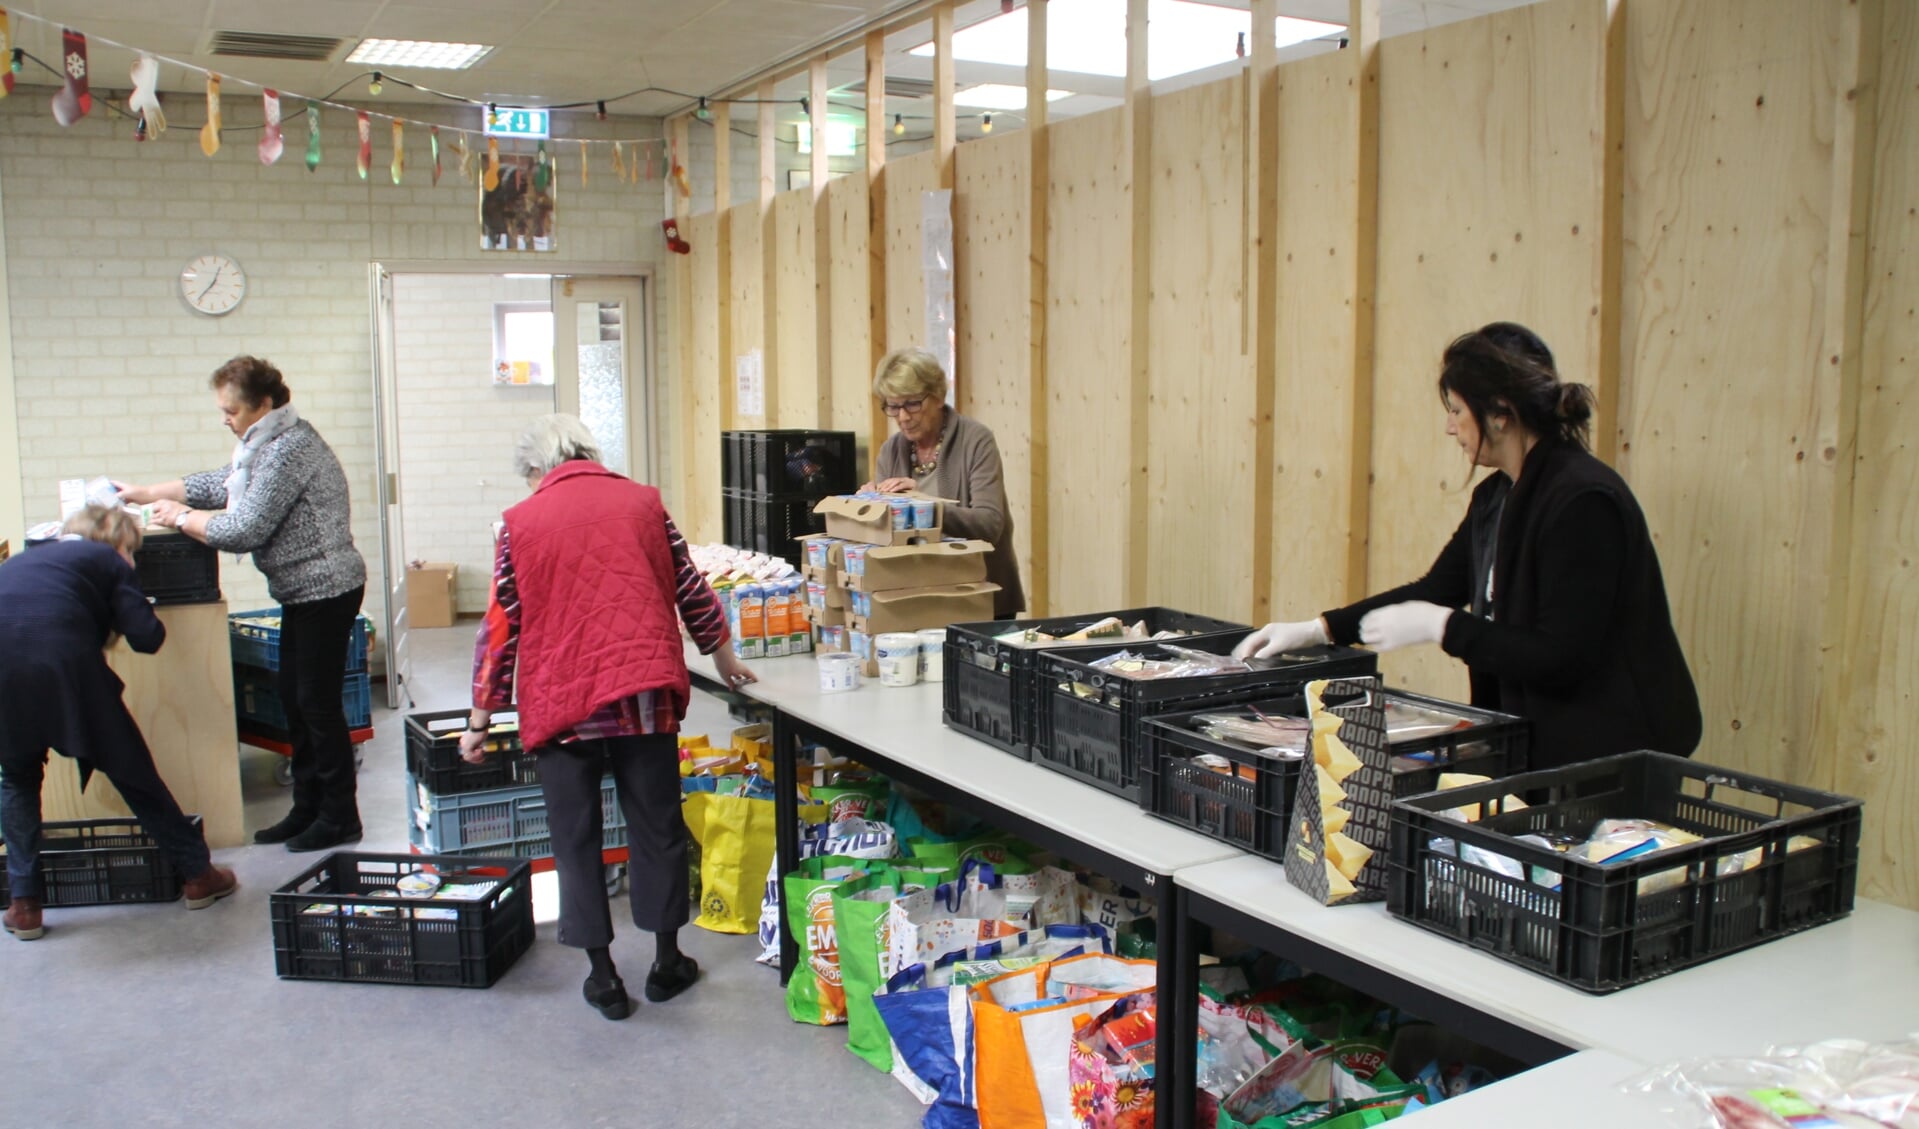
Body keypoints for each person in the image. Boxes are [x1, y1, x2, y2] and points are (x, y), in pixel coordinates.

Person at [1237, 322, 1701, 770]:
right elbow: (1438, 588)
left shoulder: (1582, 501)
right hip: (1536, 740)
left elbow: (1561, 656)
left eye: (1457, 410)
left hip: (1614, 751)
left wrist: (1444, 627)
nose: (1449, 426)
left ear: (1500, 413)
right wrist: (1319, 629)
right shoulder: (1496, 496)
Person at [460, 415, 757, 1021]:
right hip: (640, 697)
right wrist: (723, 658)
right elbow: (690, 587)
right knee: (657, 829)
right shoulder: (643, 503)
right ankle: (667, 962)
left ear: (539, 469)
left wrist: (479, 719)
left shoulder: (520, 524)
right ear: (588, 453)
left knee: (576, 841)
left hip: (562, 703)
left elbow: (500, 628)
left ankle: (603, 977)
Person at [115, 356, 368, 852]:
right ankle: (308, 807)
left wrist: (180, 516)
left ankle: (340, 816)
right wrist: (147, 492)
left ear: (263, 404)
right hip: (302, 592)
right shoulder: (262, 445)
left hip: (327, 590)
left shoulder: (287, 450)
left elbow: (242, 529)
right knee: (297, 701)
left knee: (317, 705)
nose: (224, 419)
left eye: (230, 410)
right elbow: (217, 483)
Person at [0, 505, 239, 940]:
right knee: (135, 775)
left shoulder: (22, 559)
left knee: (17, 779)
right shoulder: (107, 559)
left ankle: (24, 904)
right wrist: (129, 590)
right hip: (67, 669)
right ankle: (199, 875)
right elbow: (146, 639)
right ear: (119, 544)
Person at [864, 347, 1025, 618]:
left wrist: (923, 505)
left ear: (938, 396)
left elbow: (990, 524)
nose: (903, 417)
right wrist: (871, 505)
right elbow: (888, 538)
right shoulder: (891, 451)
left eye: (912, 403)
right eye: (893, 406)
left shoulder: (975, 440)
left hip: (977, 598)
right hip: (916, 598)